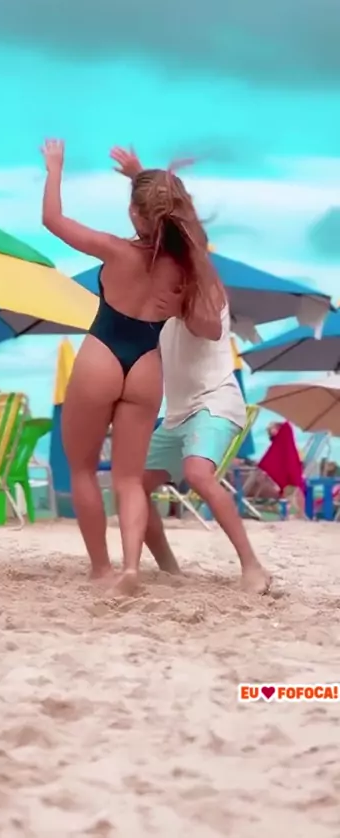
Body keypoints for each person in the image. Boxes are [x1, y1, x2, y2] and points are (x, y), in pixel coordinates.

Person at [41, 138, 225, 594]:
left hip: (102, 354)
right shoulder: (187, 264)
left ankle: (102, 570)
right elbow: (184, 224)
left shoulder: (116, 250)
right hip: (146, 365)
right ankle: (130, 569)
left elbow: (53, 220)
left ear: (134, 214)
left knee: (83, 470)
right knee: (127, 480)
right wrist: (141, 176)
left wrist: (55, 167)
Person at [108, 149, 271, 594]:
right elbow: (165, 213)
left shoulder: (203, 279)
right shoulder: (162, 274)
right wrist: (138, 175)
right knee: (131, 486)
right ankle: (169, 569)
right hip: (177, 414)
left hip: (216, 401)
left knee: (198, 474)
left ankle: (252, 566)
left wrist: (179, 306)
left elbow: (210, 327)